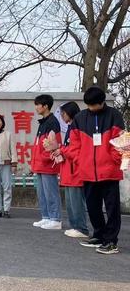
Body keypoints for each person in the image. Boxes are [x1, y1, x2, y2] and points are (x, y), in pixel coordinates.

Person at [66, 86, 124, 254]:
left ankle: (111, 241)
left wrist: (113, 161)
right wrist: (80, 160)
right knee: (92, 206)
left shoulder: (115, 115)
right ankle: (99, 235)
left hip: (110, 172)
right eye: (88, 105)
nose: (90, 109)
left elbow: (121, 141)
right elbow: (74, 144)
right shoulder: (80, 118)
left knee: (112, 208)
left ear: (102, 102)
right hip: (87, 171)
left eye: (94, 106)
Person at [52, 102, 89, 239]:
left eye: (63, 113)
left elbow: (76, 151)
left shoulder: (77, 127)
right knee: (70, 202)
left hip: (75, 171)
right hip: (68, 171)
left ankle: (81, 228)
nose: (62, 116)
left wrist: (61, 149)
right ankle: (75, 226)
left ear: (70, 112)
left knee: (76, 202)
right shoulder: (70, 127)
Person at [31, 94, 63, 230]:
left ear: (45, 106)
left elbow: (54, 144)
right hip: (40, 163)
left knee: (51, 192)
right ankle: (46, 216)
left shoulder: (52, 122)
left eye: (38, 105)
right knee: (42, 193)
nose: (36, 107)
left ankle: (55, 219)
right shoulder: (43, 122)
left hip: (47, 164)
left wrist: (44, 158)